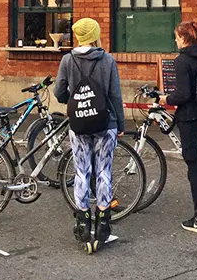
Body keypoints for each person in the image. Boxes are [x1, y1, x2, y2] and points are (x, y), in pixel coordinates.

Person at [55, 17, 125, 251]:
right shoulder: (107, 60)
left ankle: (83, 223)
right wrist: (121, 124)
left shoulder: (67, 60)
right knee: (104, 170)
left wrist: (74, 100)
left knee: (82, 170)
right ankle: (103, 223)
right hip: (106, 123)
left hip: (79, 123)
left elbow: (59, 92)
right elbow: (115, 95)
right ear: (95, 35)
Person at [159, 20, 197, 235]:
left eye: (177, 36)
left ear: (183, 38)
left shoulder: (182, 61)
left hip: (190, 117)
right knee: (195, 161)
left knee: (193, 166)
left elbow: (183, 95)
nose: (175, 40)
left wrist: (166, 99)